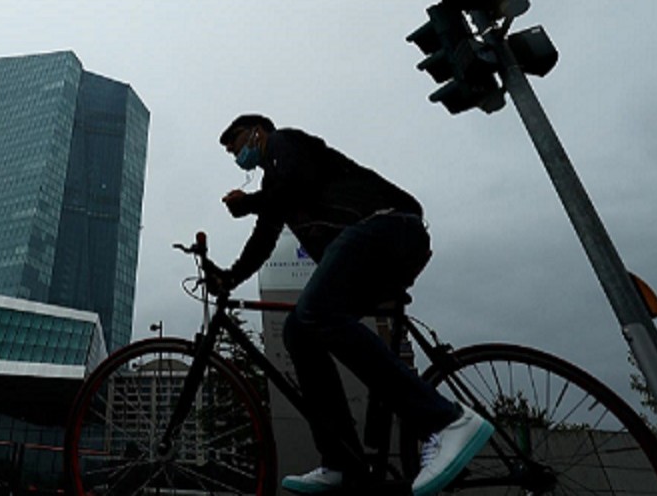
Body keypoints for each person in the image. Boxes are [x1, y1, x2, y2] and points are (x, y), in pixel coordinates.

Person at [210, 114, 493, 495]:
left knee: (316, 313)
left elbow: (299, 183)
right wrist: (229, 277)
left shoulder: (285, 144)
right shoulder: (274, 184)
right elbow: (263, 240)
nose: (237, 156)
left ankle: (445, 421)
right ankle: (342, 461)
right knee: (299, 330)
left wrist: (249, 203)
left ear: (257, 132)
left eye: (237, 145)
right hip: (368, 248)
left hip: (386, 226)